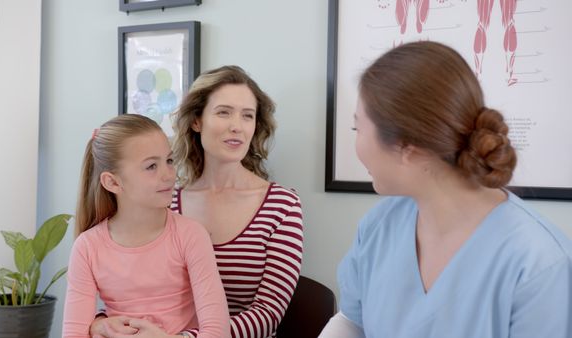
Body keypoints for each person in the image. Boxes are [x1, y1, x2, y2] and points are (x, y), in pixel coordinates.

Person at [319, 41, 572, 338]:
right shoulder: (379, 226)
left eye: (357, 129)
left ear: (405, 147)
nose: (356, 145)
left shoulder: (538, 262)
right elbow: (352, 322)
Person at [91, 66, 304, 338]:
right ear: (197, 121)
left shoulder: (282, 206)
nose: (237, 126)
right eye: (223, 112)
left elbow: (268, 314)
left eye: (247, 116)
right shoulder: (166, 200)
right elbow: (123, 283)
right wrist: (99, 321)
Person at [62, 114, 230, 338]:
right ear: (112, 182)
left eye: (169, 161)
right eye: (151, 166)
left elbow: (218, 332)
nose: (168, 175)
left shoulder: (191, 236)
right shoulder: (87, 248)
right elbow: (74, 333)